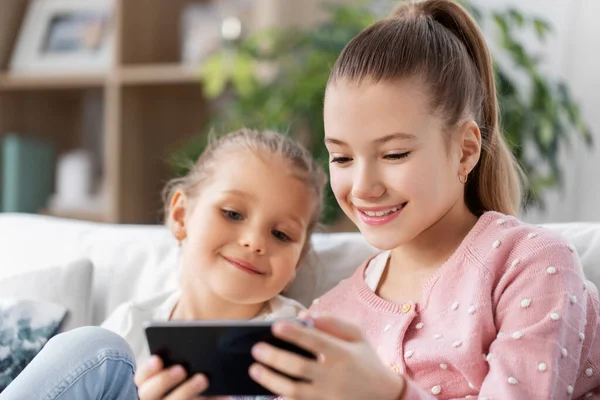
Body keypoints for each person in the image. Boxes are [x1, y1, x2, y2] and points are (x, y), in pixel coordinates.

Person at [246, 1, 600, 399]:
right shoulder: (329, 317)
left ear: (465, 150)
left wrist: (389, 393)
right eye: (342, 157)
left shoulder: (532, 264)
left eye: (394, 154)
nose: (363, 187)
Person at [0, 129, 326, 400]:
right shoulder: (131, 323)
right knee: (95, 347)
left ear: (297, 261)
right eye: (233, 214)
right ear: (182, 216)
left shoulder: (295, 338)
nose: (255, 241)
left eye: (281, 234)